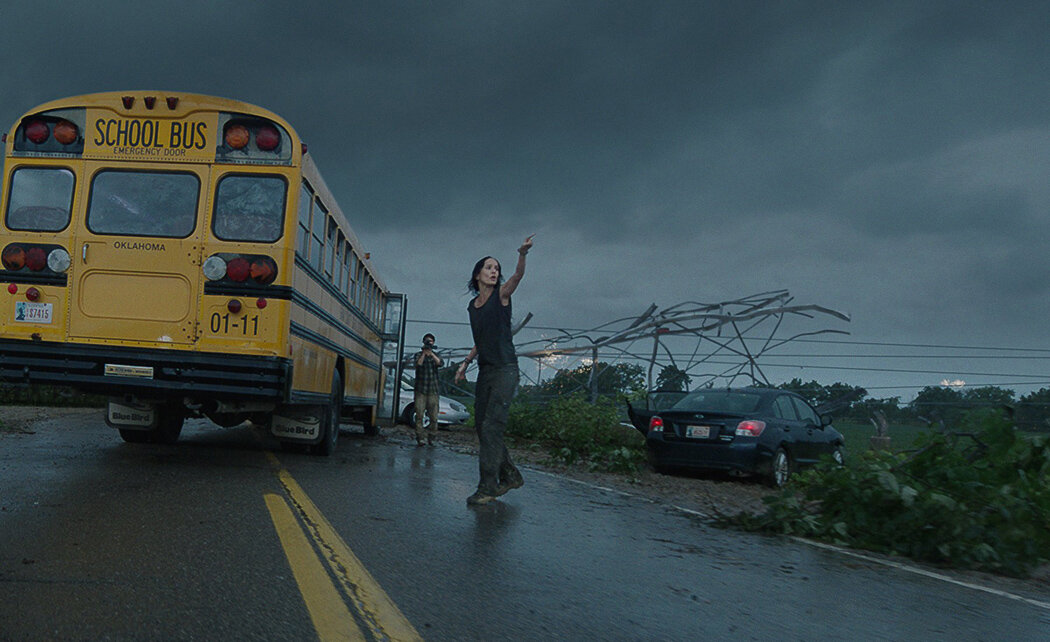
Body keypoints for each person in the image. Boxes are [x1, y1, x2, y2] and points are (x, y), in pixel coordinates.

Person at [456, 234, 534, 506]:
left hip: (505, 369)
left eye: (496, 269)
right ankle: (510, 474)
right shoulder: (472, 306)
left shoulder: (502, 295)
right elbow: (481, 340)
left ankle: (487, 487)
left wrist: (522, 254)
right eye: (489, 267)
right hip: (486, 371)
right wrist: (465, 364)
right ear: (478, 273)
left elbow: (517, 277)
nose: (494, 272)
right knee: (481, 426)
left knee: (491, 427)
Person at [411, 333, 443, 446]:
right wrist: (424, 354)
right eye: (427, 341)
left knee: (434, 417)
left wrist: (431, 354)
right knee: (419, 415)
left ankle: (432, 437)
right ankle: (420, 438)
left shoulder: (436, 355)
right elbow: (418, 364)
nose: (429, 343)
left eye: (431, 341)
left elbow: (440, 363)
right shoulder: (418, 355)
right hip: (421, 390)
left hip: (433, 391)